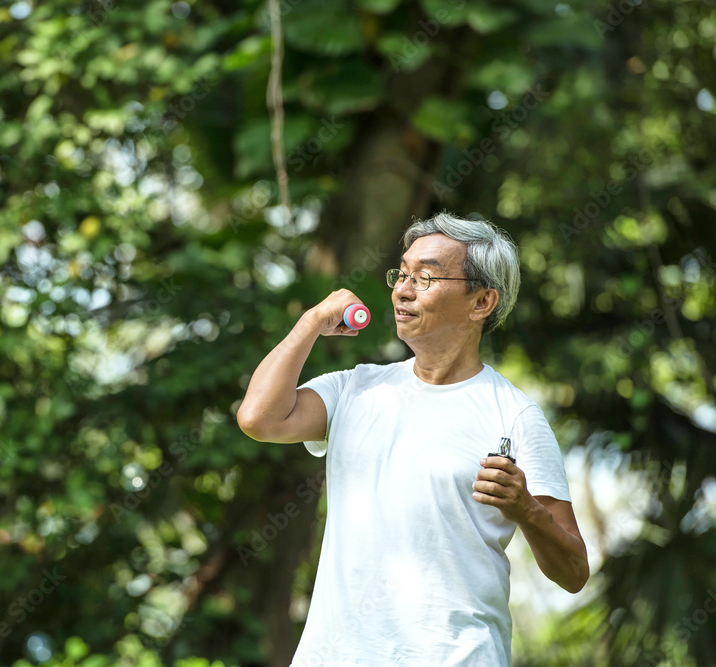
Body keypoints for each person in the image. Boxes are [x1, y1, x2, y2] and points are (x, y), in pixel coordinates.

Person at [236, 212, 589, 665]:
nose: (403, 290)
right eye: (401, 274)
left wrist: (526, 510)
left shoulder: (516, 416)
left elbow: (574, 573)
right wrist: (311, 322)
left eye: (425, 278)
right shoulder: (355, 388)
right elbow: (259, 419)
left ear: (482, 301)